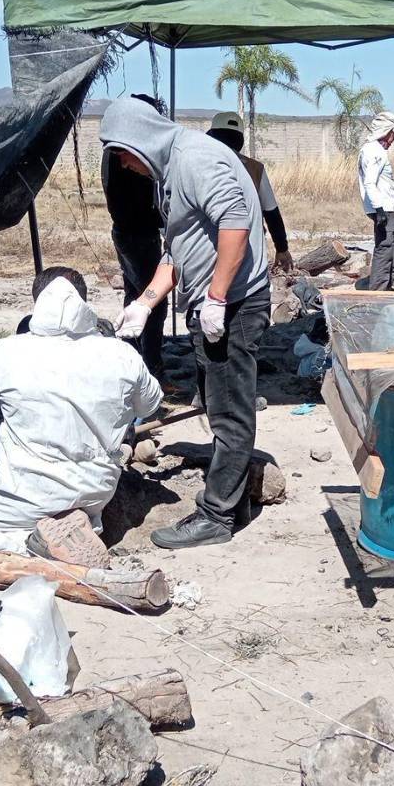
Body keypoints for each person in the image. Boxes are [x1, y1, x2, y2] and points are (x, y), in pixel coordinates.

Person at [101, 97, 271, 549]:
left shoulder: (195, 158)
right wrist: (145, 301)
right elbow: (179, 247)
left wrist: (216, 298)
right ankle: (235, 496)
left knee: (230, 411)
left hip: (234, 306)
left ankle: (217, 516)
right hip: (212, 307)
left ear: (139, 138)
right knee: (217, 403)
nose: (120, 163)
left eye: (120, 152)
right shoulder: (169, 172)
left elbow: (235, 222)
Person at [0, 266, 163, 555]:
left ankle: (30, 546)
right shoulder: (122, 355)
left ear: (36, 303)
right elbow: (150, 405)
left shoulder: (3, 351)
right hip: (95, 490)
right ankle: (83, 528)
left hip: (24, 495)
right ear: (85, 302)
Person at [102, 93, 170, 385]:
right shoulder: (126, 151)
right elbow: (144, 196)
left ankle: (131, 361)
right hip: (137, 233)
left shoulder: (117, 149)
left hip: (130, 231)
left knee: (135, 297)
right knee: (152, 302)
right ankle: (152, 371)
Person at [205, 111, 296, 274]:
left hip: (210, 247)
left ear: (212, 136)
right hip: (249, 249)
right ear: (240, 140)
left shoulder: (200, 167)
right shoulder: (255, 168)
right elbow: (271, 212)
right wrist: (282, 248)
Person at [359, 112, 394, 290]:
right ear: (386, 132)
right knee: (384, 246)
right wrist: (379, 210)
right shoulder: (374, 151)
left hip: (384, 207)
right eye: (393, 135)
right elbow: (370, 182)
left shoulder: (375, 150)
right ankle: (378, 289)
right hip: (382, 208)